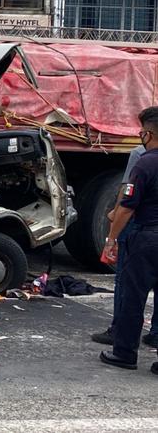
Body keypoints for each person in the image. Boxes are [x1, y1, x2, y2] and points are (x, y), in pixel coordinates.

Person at [100, 106, 158, 374]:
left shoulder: (145, 163)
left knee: (132, 297)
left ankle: (124, 353)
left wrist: (112, 238)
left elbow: (126, 206)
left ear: (148, 134)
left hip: (147, 237)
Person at [91, 145, 158, 348]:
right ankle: (155, 334)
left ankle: (123, 345)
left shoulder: (143, 157)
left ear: (149, 133)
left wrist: (112, 237)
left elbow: (126, 198)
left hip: (145, 231)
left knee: (131, 290)